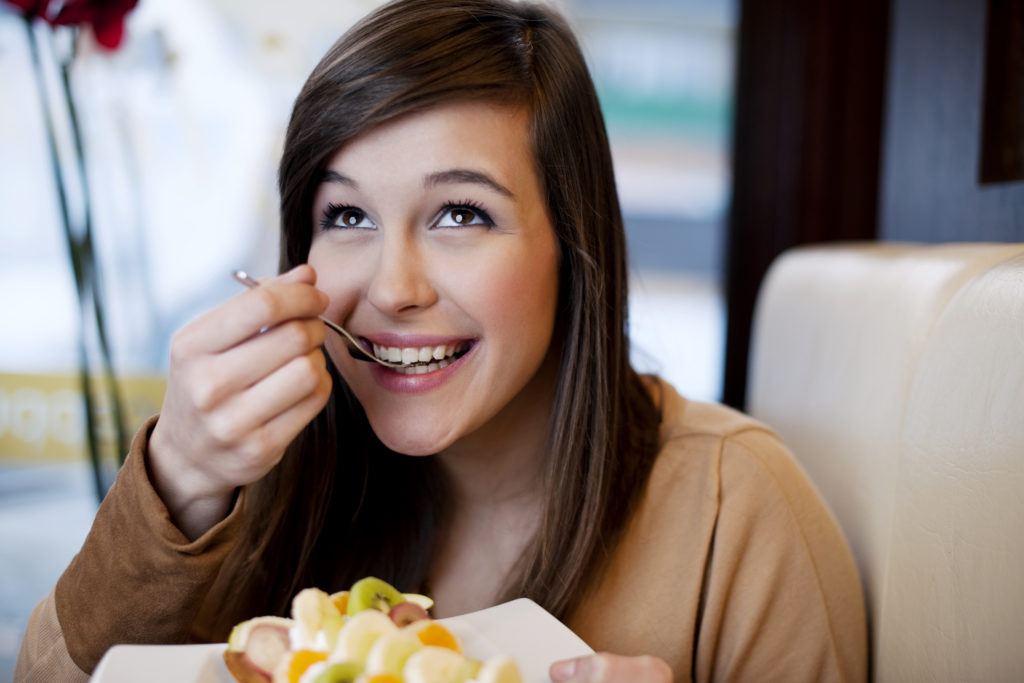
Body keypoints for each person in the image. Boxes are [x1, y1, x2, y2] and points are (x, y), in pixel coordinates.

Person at [15, 0, 867, 681]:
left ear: (573, 246)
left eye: (462, 213)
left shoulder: (739, 512)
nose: (392, 288)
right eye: (345, 215)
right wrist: (182, 476)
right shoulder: (267, 479)